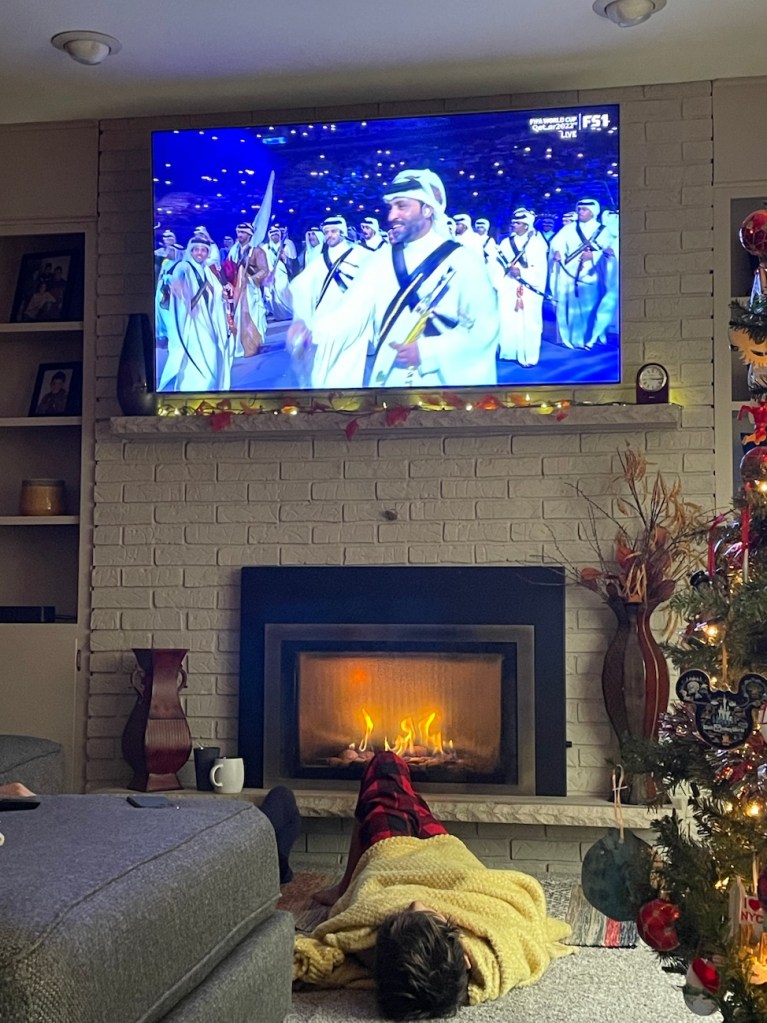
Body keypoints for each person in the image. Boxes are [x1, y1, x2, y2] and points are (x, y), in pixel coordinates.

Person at [293, 751, 572, 1020]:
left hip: (392, 854)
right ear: (466, 957)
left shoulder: (373, 952)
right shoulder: (495, 954)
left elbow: (333, 942)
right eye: (434, 916)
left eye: (402, 913)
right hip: (444, 855)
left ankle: (345, 885)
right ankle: (407, 806)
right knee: (412, 805)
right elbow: (522, 907)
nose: (416, 902)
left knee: (386, 765)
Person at [294, 170, 499, 390]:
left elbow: (484, 329)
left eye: (402, 206)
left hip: (443, 387)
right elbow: (351, 312)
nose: (392, 216)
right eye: (390, 207)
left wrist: (427, 352)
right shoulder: (379, 260)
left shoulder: (464, 261)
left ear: (428, 209)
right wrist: (313, 333)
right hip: (390, 380)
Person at [286, 215, 369, 374]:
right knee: (324, 368)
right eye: (326, 232)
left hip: (351, 317)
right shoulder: (319, 260)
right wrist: (301, 319)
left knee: (349, 366)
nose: (329, 235)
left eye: (333, 231)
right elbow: (300, 287)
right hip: (325, 318)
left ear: (342, 232)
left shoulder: (360, 254)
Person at [158, 233, 232, 391]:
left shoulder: (206, 270)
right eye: (196, 250)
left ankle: (200, 389)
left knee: (210, 355)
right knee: (205, 355)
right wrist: (180, 290)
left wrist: (222, 294)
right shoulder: (184, 266)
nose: (200, 253)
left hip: (206, 320)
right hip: (191, 322)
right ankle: (196, 390)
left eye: (203, 250)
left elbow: (213, 290)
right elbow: (174, 279)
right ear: (191, 251)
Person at [550, 198, 614, 349]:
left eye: (584, 210)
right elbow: (557, 243)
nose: (580, 212)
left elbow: (611, 251)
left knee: (590, 306)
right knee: (572, 307)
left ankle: (589, 338)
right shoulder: (569, 228)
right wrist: (557, 252)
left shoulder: (603, 230)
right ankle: (574, 339)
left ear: (593, 212)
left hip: (591, 274)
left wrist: (594, 256)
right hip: (569, 274)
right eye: (579, 209)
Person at [495, 208, 548, 366]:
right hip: (508, 285)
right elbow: (498, 265)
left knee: (529, 322)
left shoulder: (537, 243)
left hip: (529, 288)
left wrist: (522, 272)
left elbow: (540, 269)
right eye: (513, 222)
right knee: (507, 318)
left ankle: (528, 356)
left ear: (526, 225)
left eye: (518, 223)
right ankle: (509, 352)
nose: (514, 225)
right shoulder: (505, 242)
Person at [221, 222, 269, 357]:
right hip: (235, 289)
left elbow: (264, 270)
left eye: (243, 233)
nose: (239, 235)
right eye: (238, 232)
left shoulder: (257, 251)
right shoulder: (234, 250)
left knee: (250, 317)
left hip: (250, 291)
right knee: (236, 317)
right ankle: (237, 346)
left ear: (249, 235)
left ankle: (251, 346)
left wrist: (250, 279)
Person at [261, 225, 297, 320]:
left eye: (276, 234)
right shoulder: (265, 248)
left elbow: (292, 263)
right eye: (273, 235)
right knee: (272, 295)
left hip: (282, 274)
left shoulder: (285, 246)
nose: (275, 236)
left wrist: (284, 257)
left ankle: (287, 313)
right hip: (270, 274)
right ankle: (278, 315)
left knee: (283, 291)